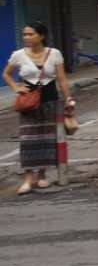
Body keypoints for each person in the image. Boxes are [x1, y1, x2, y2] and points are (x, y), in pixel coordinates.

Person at [3, 22, 74, 196]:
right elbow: (6, 73)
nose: (26, 37)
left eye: (30, 34)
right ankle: (28, 178)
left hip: (50, 101)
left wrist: (68, 98)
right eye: (25, 34)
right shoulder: (18, 55)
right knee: (28, 140)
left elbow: (62, 79)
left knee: (47, 138)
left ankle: (41, 175)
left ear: (41, 36)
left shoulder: (54, 53)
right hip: (28, 103)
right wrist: (16, 87)